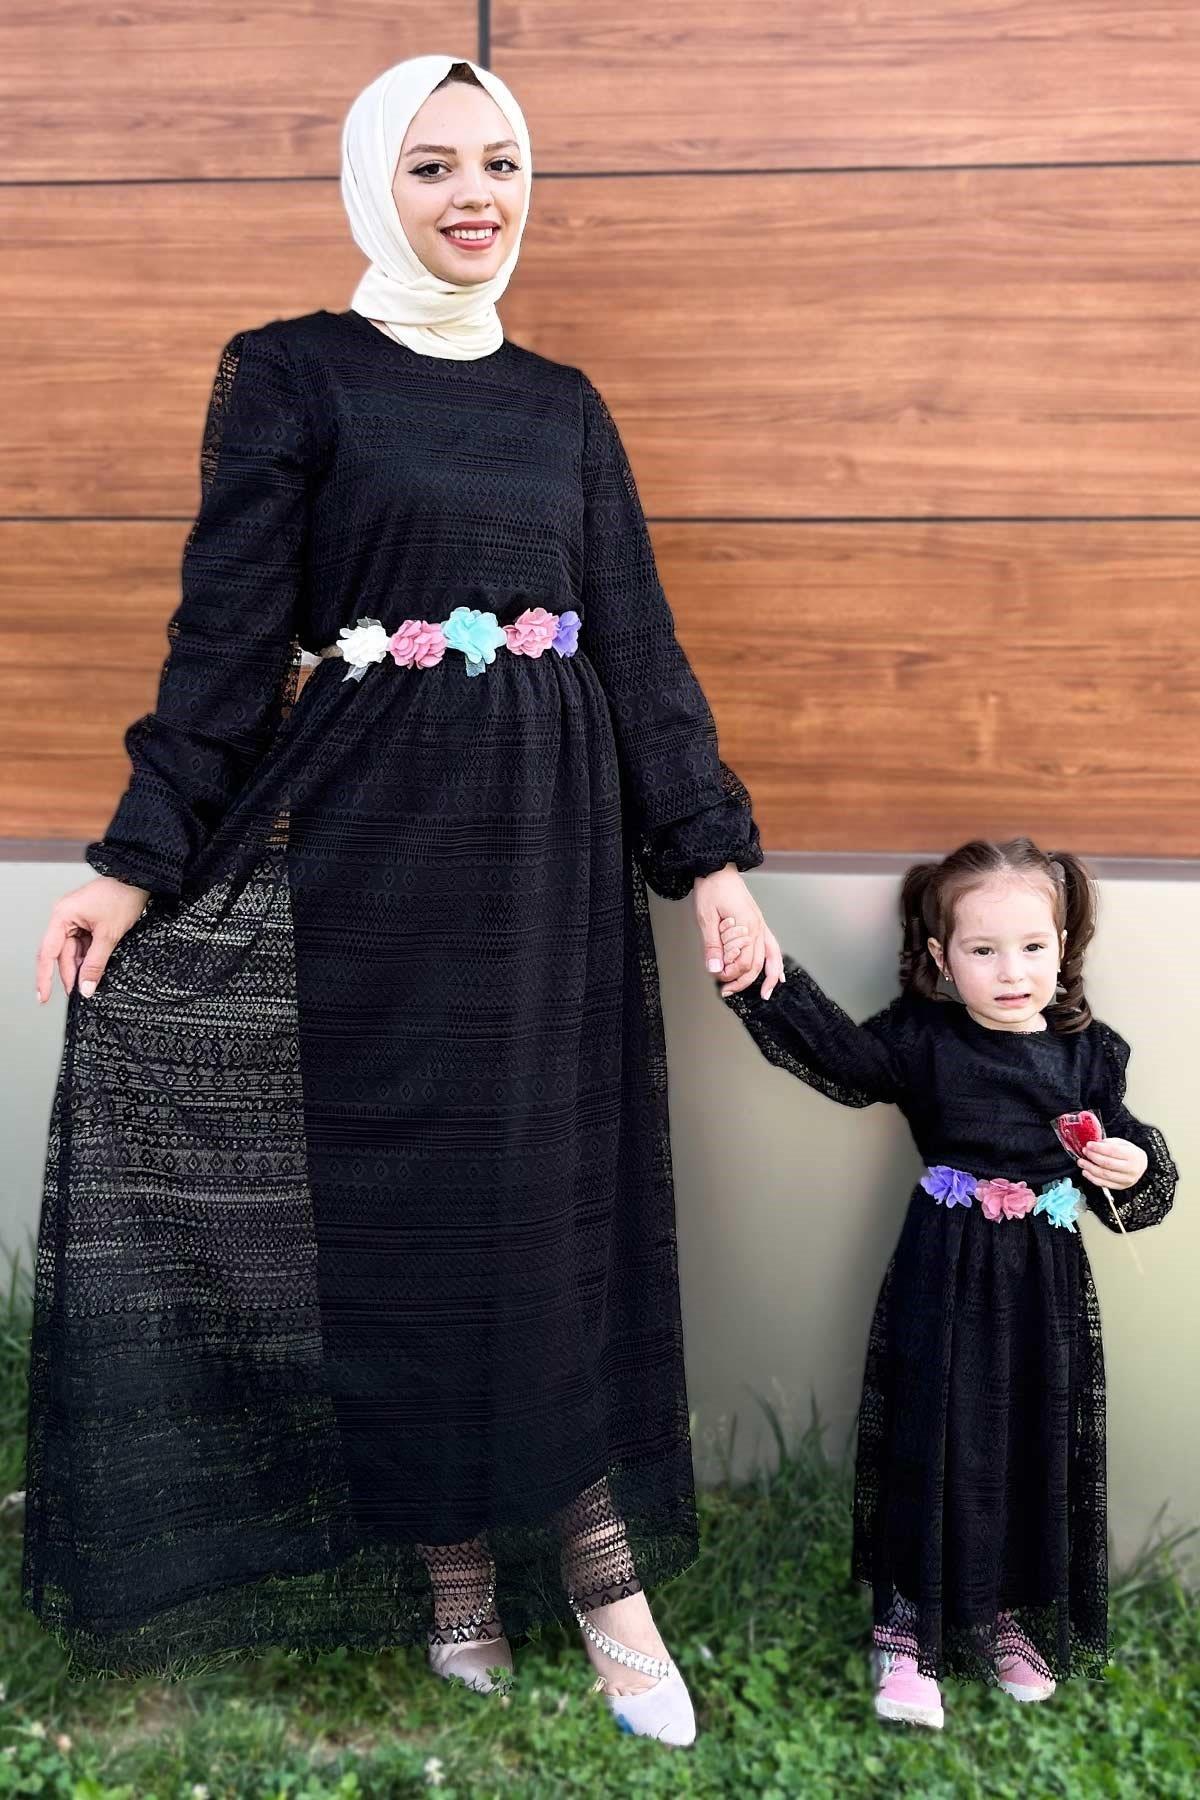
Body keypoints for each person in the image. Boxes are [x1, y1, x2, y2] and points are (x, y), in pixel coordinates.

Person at [26, 54, 781, 1747]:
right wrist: (134, 863)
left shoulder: (563, 406)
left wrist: (712, 859)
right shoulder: (292, 374)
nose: (472, 195)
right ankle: (452, 1568)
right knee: (404, 1206)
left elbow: (640, 645)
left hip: (552, 860)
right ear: (377, 181)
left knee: (547, 1200)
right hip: (374, 848)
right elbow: (225, 641)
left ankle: (599, 1571)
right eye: (433, 164)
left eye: (498, 162)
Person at [716, 837, 1177, 1730]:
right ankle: (907, 1632)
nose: (1012, 971)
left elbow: (1128, 1185)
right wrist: (759, 974)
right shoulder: (923, 1040)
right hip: (946, 1270)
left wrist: (1134, 1163)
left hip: (1044, 1284)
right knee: (932, 1436)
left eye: (1033, 947)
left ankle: (1009, 1614)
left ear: (1063, 948)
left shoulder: (1091, 1057)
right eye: (983, 950)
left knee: (1029, 1436)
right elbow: (842, 1059)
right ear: (940, 956)